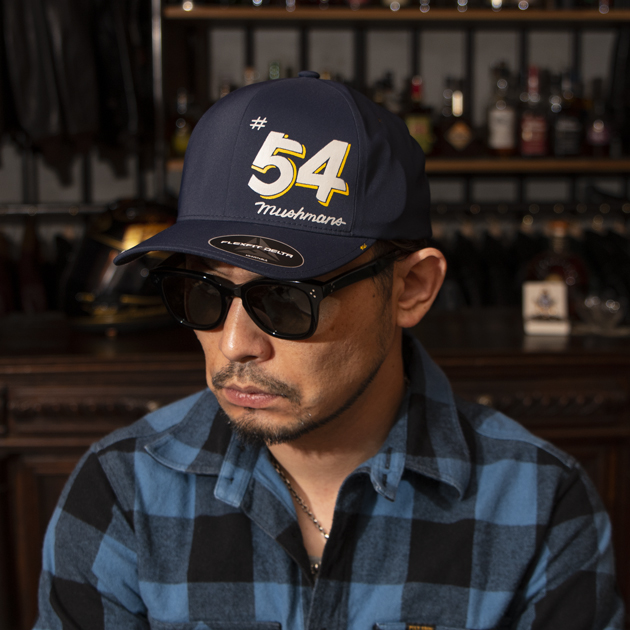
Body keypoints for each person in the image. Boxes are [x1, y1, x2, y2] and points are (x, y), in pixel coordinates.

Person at [35, 71, 624, 630]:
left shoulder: (539, 504)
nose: (235, 346)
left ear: (412, 289)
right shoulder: (122, 489)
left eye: (286, 301)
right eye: (202, 294)